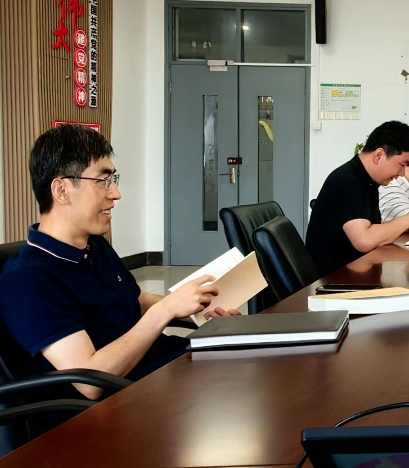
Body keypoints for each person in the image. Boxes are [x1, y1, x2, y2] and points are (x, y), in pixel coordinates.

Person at [0, 125, 237, 399]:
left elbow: (137, 299)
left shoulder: (94, 245)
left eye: (113, 180)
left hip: (166, 367)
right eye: (103, 181)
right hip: (125, 400)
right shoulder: (27, 279)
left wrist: (198, 309)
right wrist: (164, 311)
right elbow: (90, 381)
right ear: (61, 190)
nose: (115, 194)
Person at [306, 121, 409, 276]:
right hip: (336, 279)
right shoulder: (347, 180)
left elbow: (374, 226)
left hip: (355, 272)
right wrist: (408, 221)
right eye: (402, 164)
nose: (403, 173)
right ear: (379, 155)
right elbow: (364, 240)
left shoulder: (367, 180)